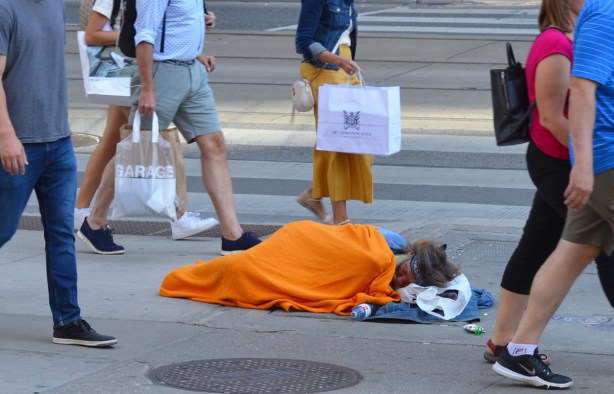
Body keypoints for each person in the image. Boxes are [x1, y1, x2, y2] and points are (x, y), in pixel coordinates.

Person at [484, 0, 614, 365]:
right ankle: (508, 344)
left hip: (568, 161)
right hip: (558, 162)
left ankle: (504, 342)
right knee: (602, 250)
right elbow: (554, 117)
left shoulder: (577, 35)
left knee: (543, 245)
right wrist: (583, 164)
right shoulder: (556, 45)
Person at [0, 0, 116, 347]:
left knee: (62, 234)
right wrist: (6, 137)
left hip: (59, 143)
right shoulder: (6, 8)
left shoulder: (53, 5)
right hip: (19, 146)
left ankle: (67, 320)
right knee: (3, 230)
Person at [75, 0, 219, 254]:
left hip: (138, 68)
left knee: (116, 141)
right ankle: (177, 214)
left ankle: (82, 211)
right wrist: (140, 37)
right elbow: (92, 33)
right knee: (141, 139)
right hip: (129, 69)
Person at [131, 0, 261, 255]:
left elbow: (178, 22)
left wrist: (202, 22)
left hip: (193, 70)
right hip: (163, 73)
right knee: (137, 149)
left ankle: (232, 234)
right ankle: (96, 220)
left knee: (214, 142)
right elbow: (145, 34)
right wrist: (147, 87)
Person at [160, 221, 460, 314]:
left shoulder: (391, 276)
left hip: (301, 262)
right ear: (409, 259)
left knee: (237, 271)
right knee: (237, 268)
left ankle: (206, 274)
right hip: (298, 243)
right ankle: (196, 276)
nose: (399, 279)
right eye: (404, 271)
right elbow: (349, 237)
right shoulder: (384, 250)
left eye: (405, 281)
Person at [295, 0, 373, 226]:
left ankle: (313, 195)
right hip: (326, 72)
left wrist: (344, 61)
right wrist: (338, 60)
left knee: (364, 142)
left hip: (346, 72)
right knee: (339, 147)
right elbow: (303, 41)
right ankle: (341, 218)